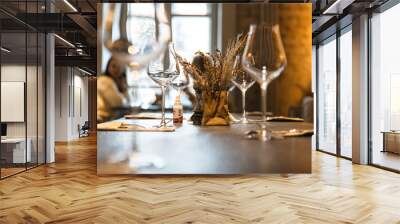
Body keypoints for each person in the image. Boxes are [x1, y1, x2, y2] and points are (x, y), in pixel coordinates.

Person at [97, 57, 128, 123]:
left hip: (107, 119)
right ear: (108, 67)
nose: (117, 69)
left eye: (120, 66)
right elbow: (118, 103)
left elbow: (128, 103)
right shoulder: (105, 80)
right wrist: (124, 89)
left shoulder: (115, 82)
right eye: (114, 66)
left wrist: (123, 88)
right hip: (101, 120)